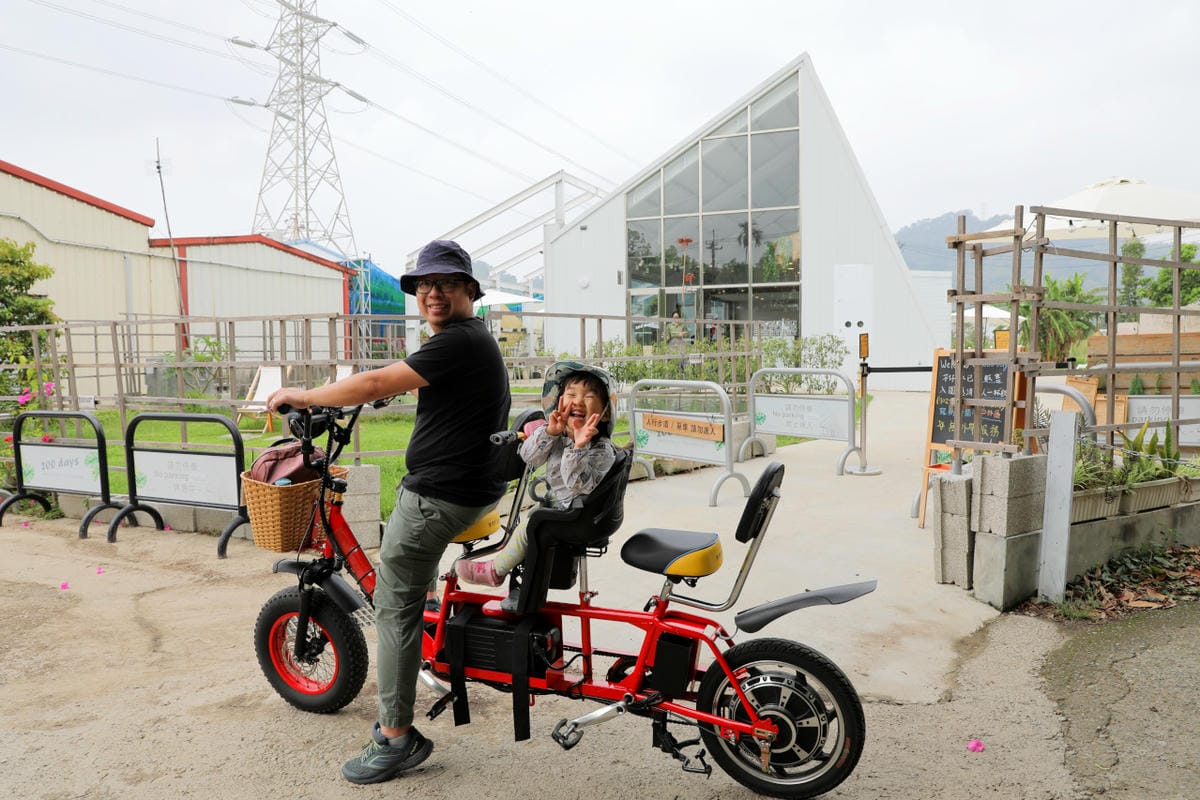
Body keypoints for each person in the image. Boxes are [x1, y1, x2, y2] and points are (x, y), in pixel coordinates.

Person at [266, 239, 511, 786]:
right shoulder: (464, 343)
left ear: (470, 291)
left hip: (440, 497)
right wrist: (368, 394)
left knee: (393, 605)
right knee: (408, 587)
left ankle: (395, 736)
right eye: (424, 285)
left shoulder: (460, 341)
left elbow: (378, 381)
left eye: (445, 283)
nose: (432, 293)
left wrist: (305, 396)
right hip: (469, 488)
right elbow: (393, 380)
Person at [456, 362, 618, 612]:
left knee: (533, 522)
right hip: (563, 507)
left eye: (588, 396)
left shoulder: (601, 449)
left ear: (604, 413)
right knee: (532, 518)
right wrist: (550, 432)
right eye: (571, 394)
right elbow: (529, 457)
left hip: (580, 515)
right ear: (558, 402)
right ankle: (515, 576)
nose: (578, 401)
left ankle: (496, 570)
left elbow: (578, 485)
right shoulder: (558, 435)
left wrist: (578, 447)